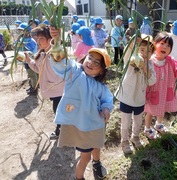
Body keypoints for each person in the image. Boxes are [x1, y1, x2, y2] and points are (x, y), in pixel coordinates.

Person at [48, 29, 114, 179]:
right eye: (89, 58)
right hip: (80, 126)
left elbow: (107, 100)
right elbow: (61, 63)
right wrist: (56, 42)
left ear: (101, 71)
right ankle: (79, 177)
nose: (90, 62)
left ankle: (97, 164)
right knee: (85, 157)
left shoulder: (101, 87)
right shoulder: (75, 72)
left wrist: (106, 109)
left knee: (96, 145)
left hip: (95, 124)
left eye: (97, 62)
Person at [144, 31, 177, 139]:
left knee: (162, 108)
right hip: (153, 91)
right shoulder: (149, 61)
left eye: (168, 45)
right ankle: (147, 128)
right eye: (162, 44)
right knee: (150, 111)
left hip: (165, 90)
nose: (165, 47)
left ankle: (159, 125)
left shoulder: (170, 61)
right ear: (154, 44)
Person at [116, 34, 156, 154]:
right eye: (142, 49)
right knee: (125, 122)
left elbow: (152, 81)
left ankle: (135, 136)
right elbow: (128, 51)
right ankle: (124, 141)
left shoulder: (150, 65)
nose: (145, 53)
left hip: (139, 98)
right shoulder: (131, 59)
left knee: (138, 121)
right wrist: (132, 44)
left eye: (149, 51)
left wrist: (145, 68)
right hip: (127, 97)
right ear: (137, 50)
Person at [23, 25, 65, 140]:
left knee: (58, 111)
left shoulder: (55, 54)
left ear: (49, 39)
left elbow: (58, 48)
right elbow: (39, 70)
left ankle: (59, 131)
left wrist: (57, 38)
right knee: (59, 110)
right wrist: (28, 60)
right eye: (37, 38)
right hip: (51, 89)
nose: (37, 41)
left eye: (41, 38)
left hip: (59, 90)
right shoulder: (41, 54)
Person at [17, 22, 38, 95]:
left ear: (28, 31)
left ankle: (34, 89)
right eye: (20, 31)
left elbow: (31, 52)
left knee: (32, 75)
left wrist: (24, 46)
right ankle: (32, 85)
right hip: (25, 60)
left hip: (30, 60)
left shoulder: (31, 41)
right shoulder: (22, 39)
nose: (21, 32)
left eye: (23, 30)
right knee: (30, 74)